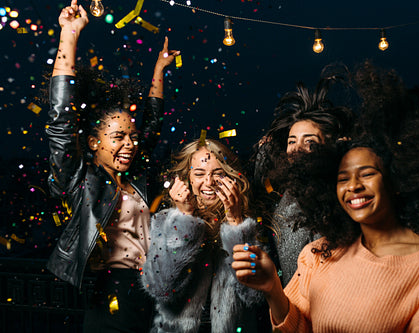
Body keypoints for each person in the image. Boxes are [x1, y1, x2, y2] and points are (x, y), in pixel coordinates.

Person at [232, 63, 419, 332]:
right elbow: (297, 327)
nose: (353, 186)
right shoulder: (317, 255)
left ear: (395, 179)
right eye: (343, 178)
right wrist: (272, 287)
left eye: (366, 174)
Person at [45, 1, 180, 331]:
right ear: (93, 142)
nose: (129, 144)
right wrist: (70, 34)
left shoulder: (132, 181)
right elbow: (62, 120)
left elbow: (151, 128)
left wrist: (158, 72)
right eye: (118, 136)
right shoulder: (82, 181)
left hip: (150, 290)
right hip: (111, 292)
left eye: (131, 136)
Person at [140, 138, 270, 333]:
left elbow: (253, 294)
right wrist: (184, 219)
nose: (208, 183)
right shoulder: (166, 220)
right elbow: (162, 289)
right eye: (199, 173)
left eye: (217, 174)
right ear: (187, 177)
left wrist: (236, 223)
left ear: (230, 176)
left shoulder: (247, 223)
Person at [252, 69, 353, 286]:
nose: (297, 149)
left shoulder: (340, 192)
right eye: (292, 141)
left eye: (310, 142)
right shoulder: (287, 196)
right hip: (292, 309)